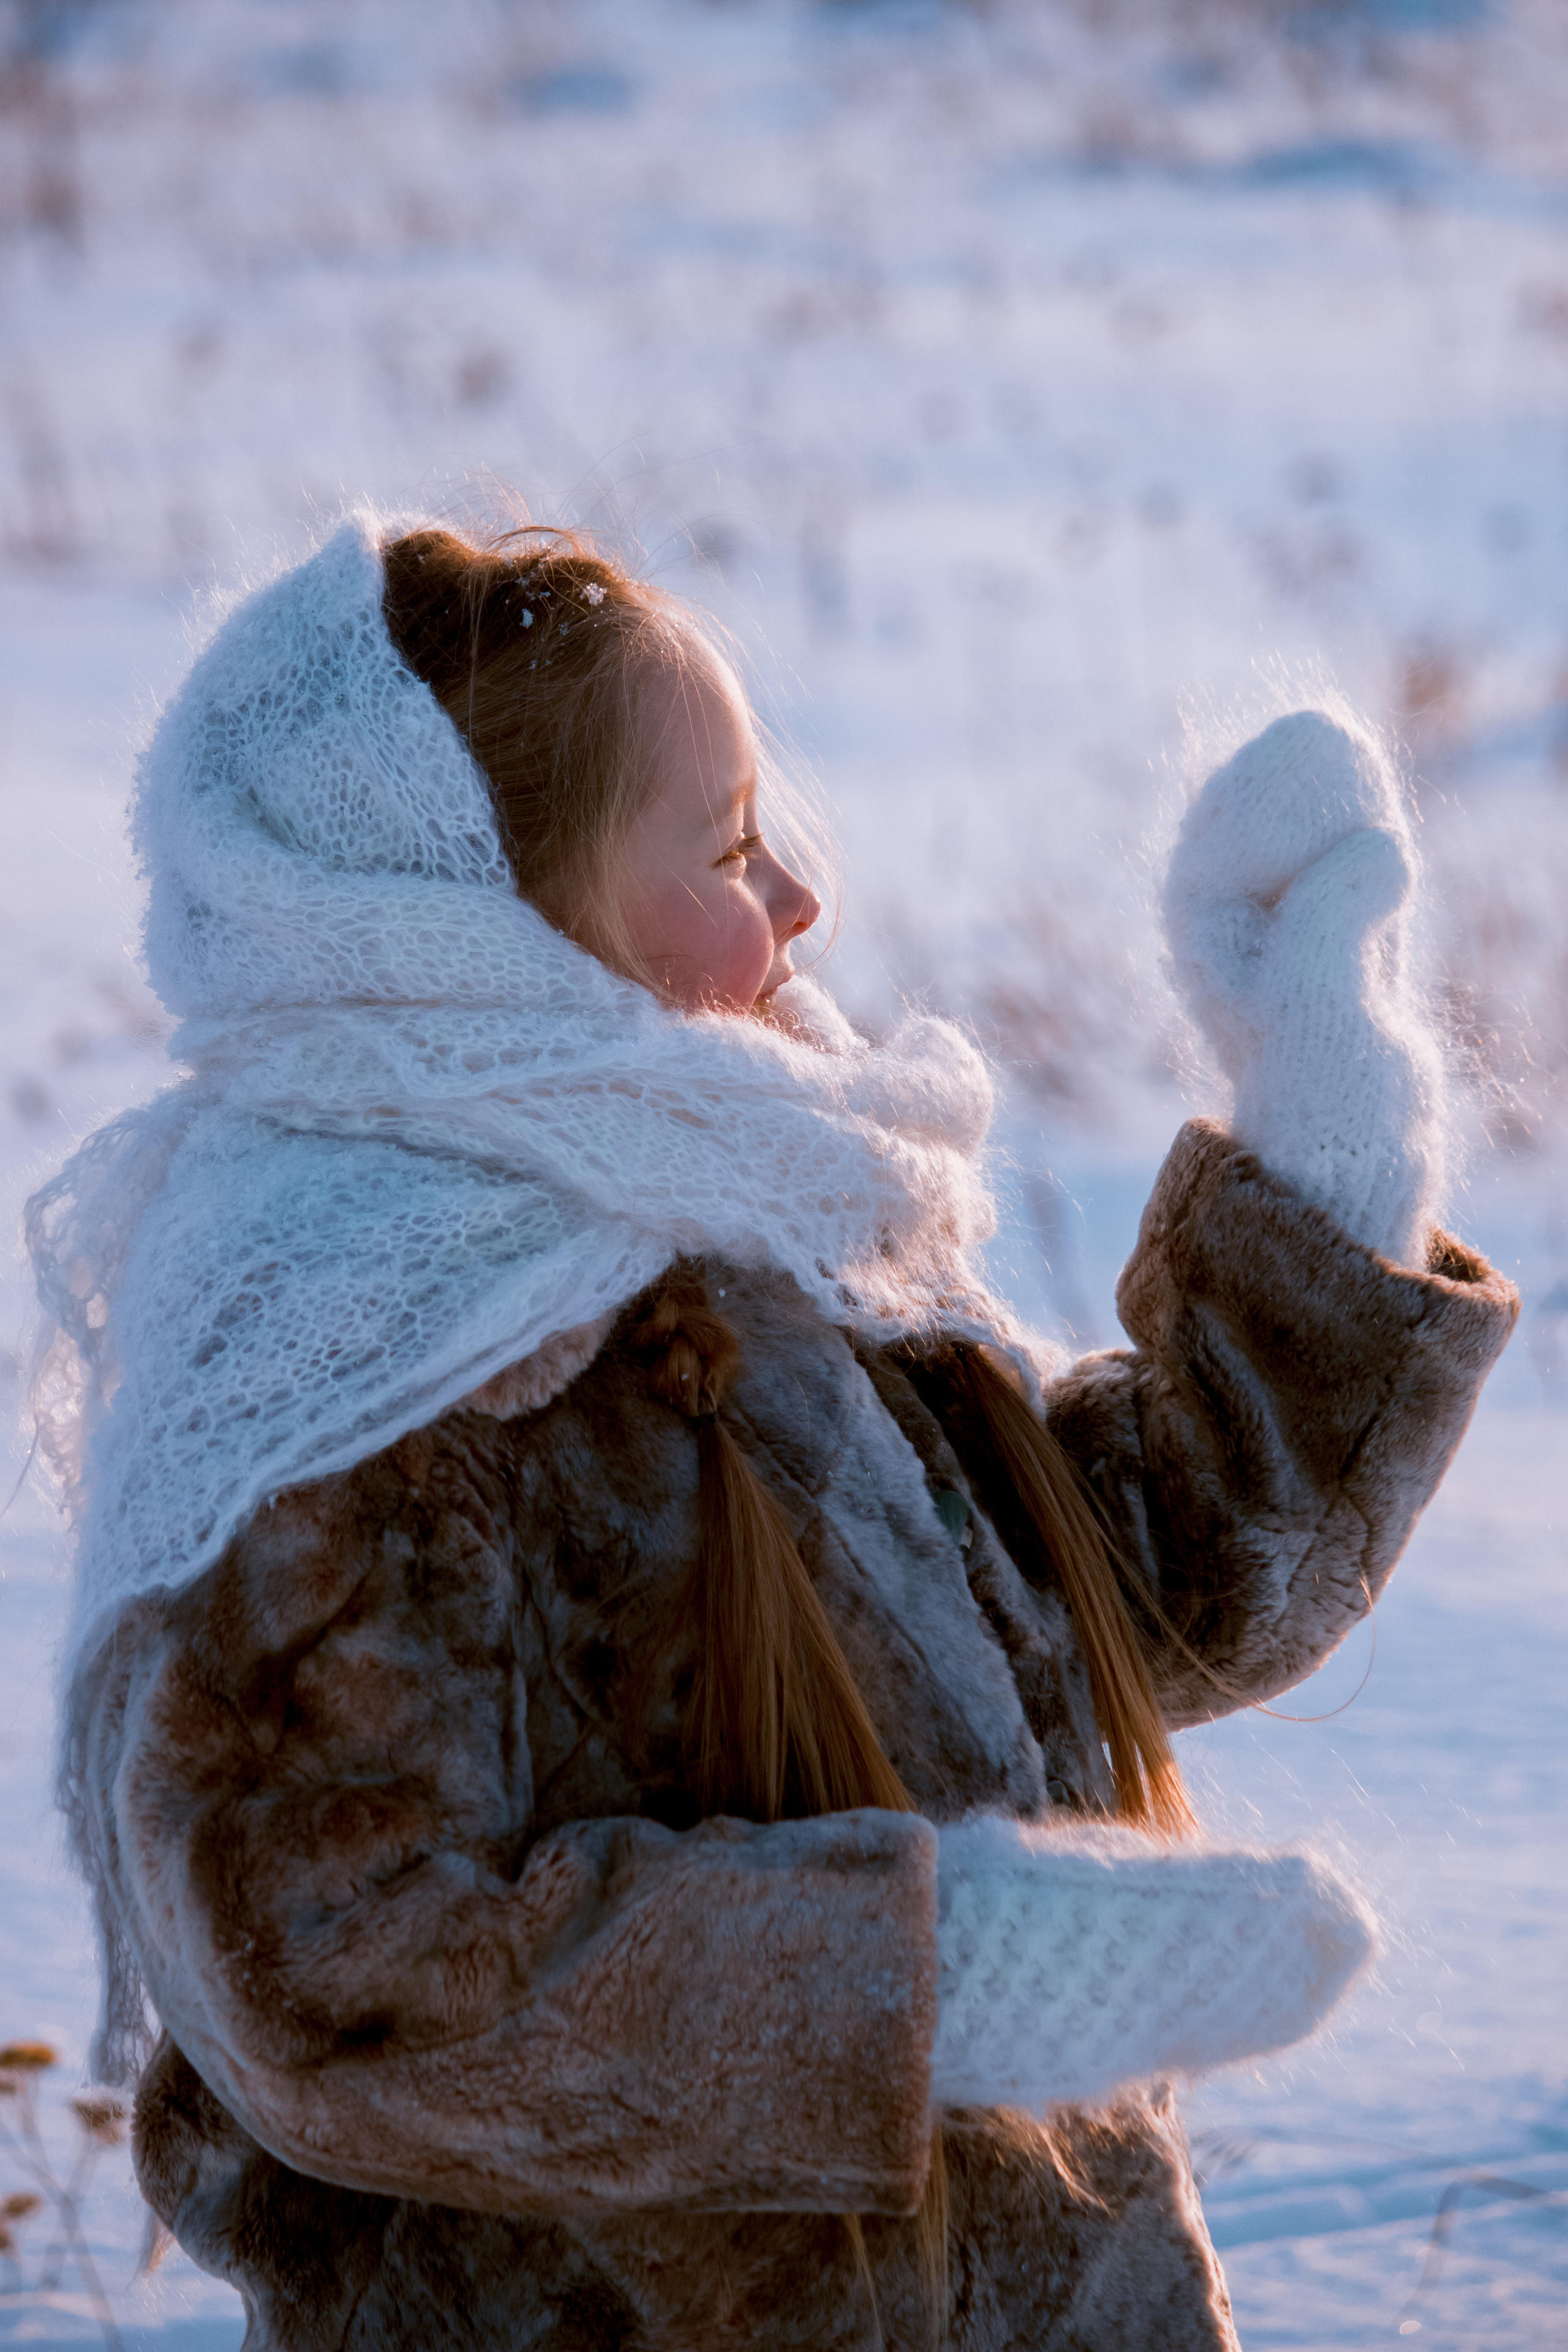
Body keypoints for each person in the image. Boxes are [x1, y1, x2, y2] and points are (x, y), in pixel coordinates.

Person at [28, 511, 1517, 2351]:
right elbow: (329, 1974)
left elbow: (1130, 1596)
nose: (804, 904)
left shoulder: (754, 1212)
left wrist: (1331, 1141)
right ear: (486, 934)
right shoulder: (339, 1359)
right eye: (731, 850)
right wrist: (936, 1976)